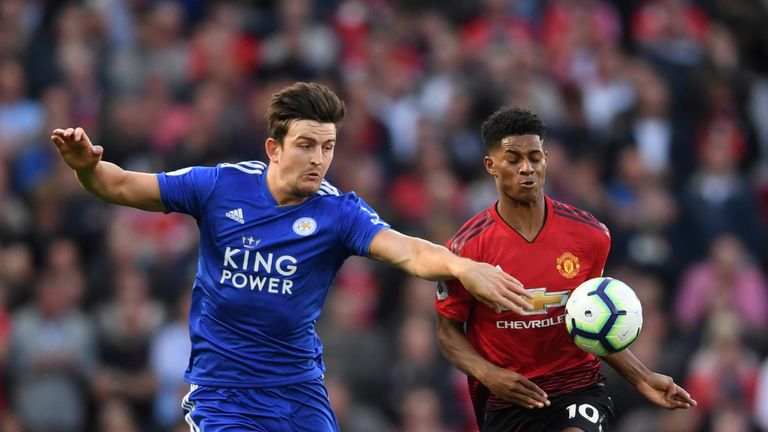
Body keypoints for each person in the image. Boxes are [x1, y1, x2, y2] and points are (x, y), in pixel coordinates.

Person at [50, 82, 533, 432]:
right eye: (305, 145)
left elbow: (406, 250)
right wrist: (86, 169)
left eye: (328, 147)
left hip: (299, 392)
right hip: (224, 396)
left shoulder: (339, 212)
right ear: (273, 149)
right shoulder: (220, 186)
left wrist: (461, 265)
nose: (319, 159)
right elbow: (117, 184)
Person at [434, 107, 696, 432]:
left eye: (534, 157)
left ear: (546, 159)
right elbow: (447, 333)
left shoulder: (590, 235)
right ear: (491, 165)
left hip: (577, 386)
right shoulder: (466, 249)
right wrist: (489, 374)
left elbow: (593, 324)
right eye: (513, 159)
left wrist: (641, 377)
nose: (526, 168)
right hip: (508, 397)